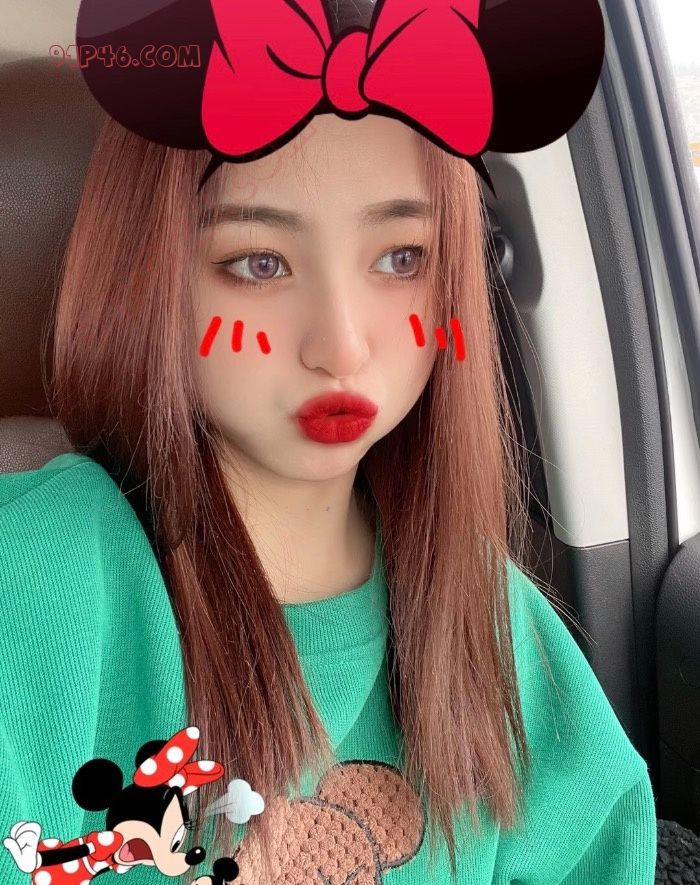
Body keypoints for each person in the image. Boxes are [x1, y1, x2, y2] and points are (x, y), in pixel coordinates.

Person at [0, 1, 657, 882]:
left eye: (401, 258)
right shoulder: (35, 580)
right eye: (259, 263)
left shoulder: (494, 621)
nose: (342, 346)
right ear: (152, 278)